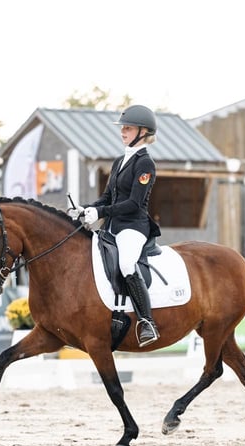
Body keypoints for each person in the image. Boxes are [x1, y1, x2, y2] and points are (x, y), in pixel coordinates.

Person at [68, 104, 161, 347]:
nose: (123, 132)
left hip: (133, 226)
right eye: (123, 128)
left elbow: (133, 203)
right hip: (112, 225)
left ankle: (146, 321)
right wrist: (87, 208)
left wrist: (101, 211)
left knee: (127, 263)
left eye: (128, 128)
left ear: (143, 132)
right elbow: (108, 197)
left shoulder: (145, 164)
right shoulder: (120, 160)